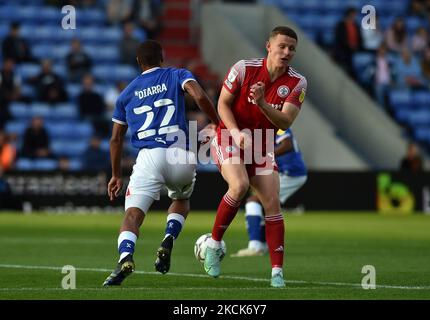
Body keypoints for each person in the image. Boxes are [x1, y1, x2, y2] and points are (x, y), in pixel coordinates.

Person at [103, 40, 219, 286]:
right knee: (181, 200)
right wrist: (218, 121)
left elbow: (115, 139)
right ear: (162, 58)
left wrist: (115, 175)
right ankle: (168, 239)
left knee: (133, 214)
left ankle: (125, 257)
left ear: (138, 62)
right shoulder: (177, 74)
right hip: (180, 152)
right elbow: (198, 95)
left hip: (149, 157)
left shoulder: (127, 93)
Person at [205, 26, 307, 288]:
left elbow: (285, 120)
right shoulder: (244, 69)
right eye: (282, 46)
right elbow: (222, 104)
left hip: (262, 144)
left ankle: (276, 273)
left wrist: (262, 103)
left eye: (292, 48)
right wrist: (236, 133)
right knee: (238, 186)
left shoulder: (298, 83)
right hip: (228, 135)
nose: (287, 52)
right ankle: (214, 246)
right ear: (268, 46)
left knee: (272, 202)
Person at [231, 128, 307, 257]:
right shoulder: (263, 126)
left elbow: (287, 144)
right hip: (288, 172)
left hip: (290, 172)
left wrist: (264, 156)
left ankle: (255, 246)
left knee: (253, 201)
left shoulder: (277, 125)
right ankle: (263, 244)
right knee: (264, 205)